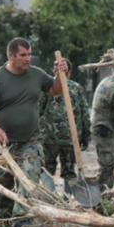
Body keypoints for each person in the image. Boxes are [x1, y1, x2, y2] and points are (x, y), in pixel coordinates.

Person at [0, 37, 68, 227]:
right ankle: (4, 222)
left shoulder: (36, 74)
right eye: (23, 55)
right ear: (11, 56)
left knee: (29, 174)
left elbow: (55, 89)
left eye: (29, 54)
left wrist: (60, 74)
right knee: (4, 189)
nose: (28, 59)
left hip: (31, 139)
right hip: (4, 143)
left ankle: (22, 218)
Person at [38, 58, 91, 194]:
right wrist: (85, 137)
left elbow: (38, 110)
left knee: (47, 168)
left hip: (49, 137)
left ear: (53, 71)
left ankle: (51, 196)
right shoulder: (77, 88)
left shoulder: (46, 89)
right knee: (69, 171)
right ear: (69, 72)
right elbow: (85, 114)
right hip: (70, 138)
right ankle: (69, 198)